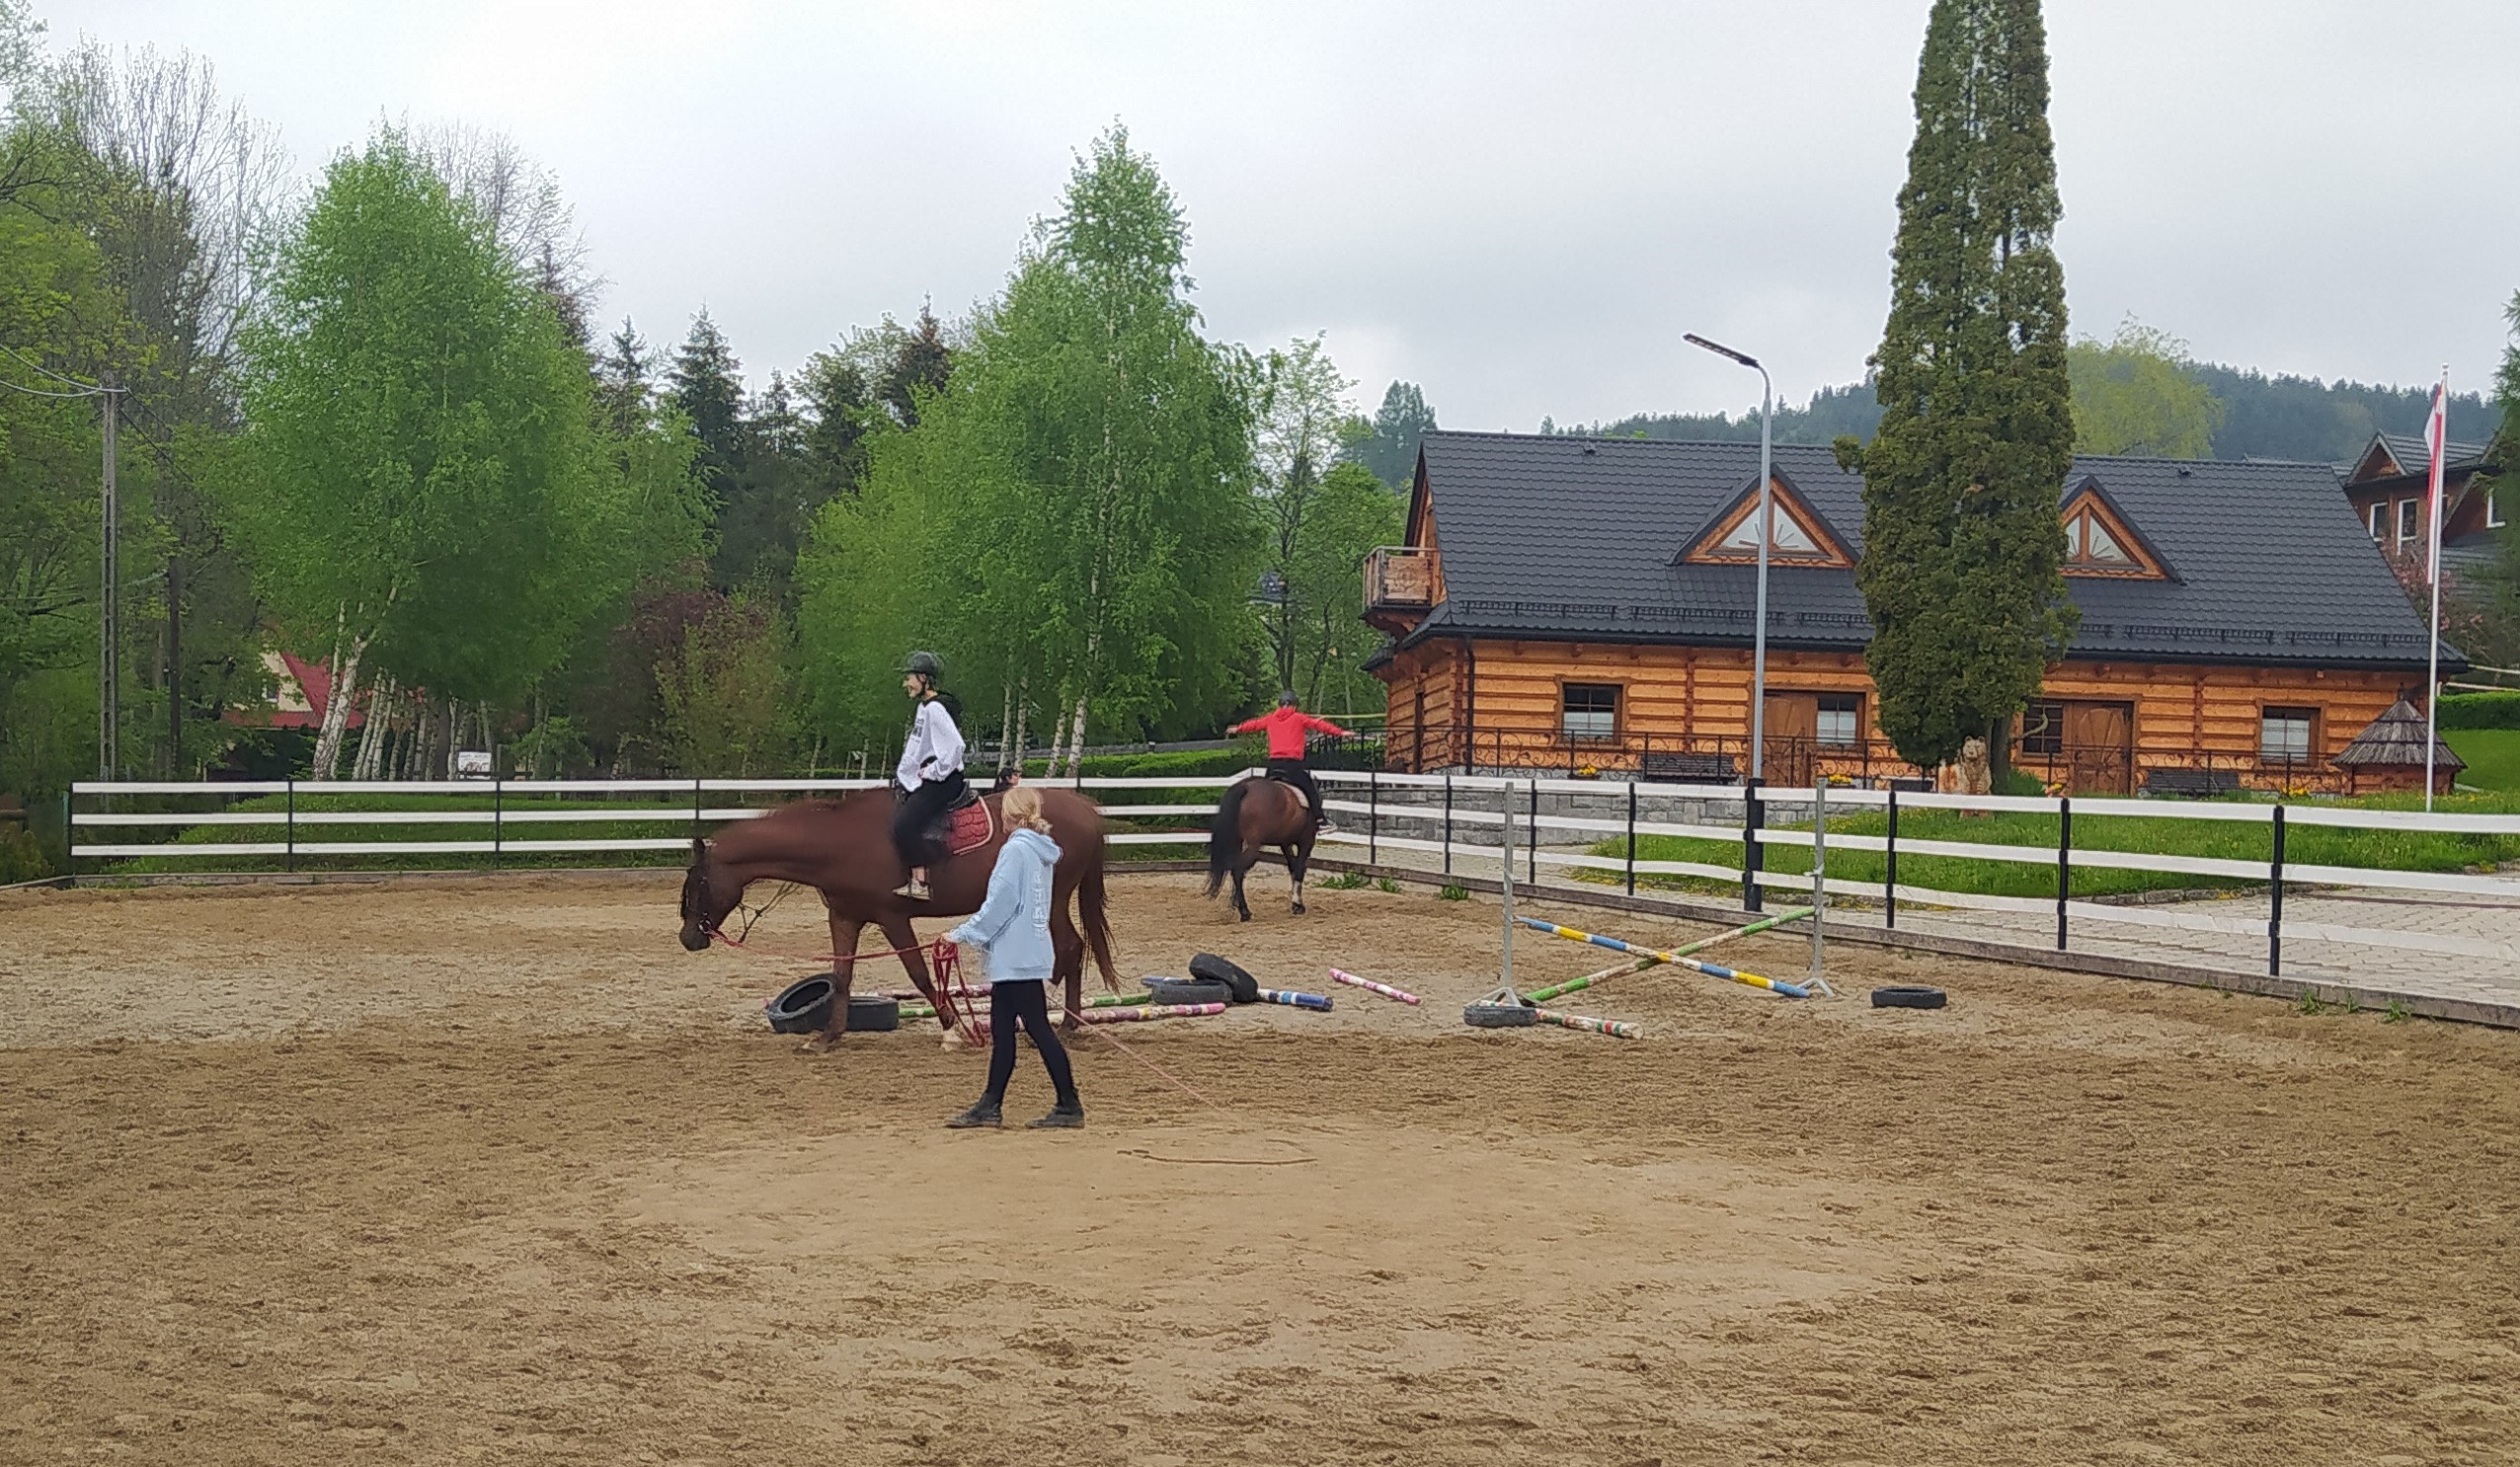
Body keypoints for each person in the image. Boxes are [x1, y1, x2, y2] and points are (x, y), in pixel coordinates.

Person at [941, 783, 1084, 1129]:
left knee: (1036, 1029)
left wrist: (960, 934)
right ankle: (992, 1103)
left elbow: (1000, 905)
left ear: (1009, 815)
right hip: (1025, 952)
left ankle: (1068, 1103)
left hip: (1015, 956)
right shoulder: (1038, 851)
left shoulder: (1015, 851)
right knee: (1004, 1032)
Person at [891, 651, 967, 900]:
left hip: (942, 781)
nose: (905, 684)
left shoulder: (935, 709)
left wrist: (932, 771)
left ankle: (920, 883)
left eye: (909, 678)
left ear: (923, 678)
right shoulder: (926, 707)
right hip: (931, 777)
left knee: (903, 826)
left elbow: (955, 747)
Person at [1230, 691, 1348, 832]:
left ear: (1280, 705)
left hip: (1273, 764)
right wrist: (1340, 733)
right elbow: (1320, 725)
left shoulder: (1270, 719)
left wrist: (1238, 728)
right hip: (1292, 765)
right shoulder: (1299, 718)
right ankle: (1320, 820)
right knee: (1310, 788)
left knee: (1264, 792)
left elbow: (1254, 724)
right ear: (1294, 706)